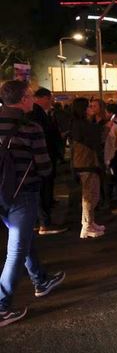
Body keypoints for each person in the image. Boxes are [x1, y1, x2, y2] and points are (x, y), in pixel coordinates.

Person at [0, 81, 65, 327]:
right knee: (16, 249)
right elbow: (45, 166)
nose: (32, 100)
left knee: (23, 238)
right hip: (23, 194)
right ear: (23, 99)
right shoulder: (30, 127)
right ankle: (2, 305)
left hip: (1, 196)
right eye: (29, 96)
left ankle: (41, 279)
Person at [29, 87, 67, 235]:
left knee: (42, 190)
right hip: (42, 158)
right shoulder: (36, 113)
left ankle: (38, 222)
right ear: (43, 98)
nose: (51, 101)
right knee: (41, 190)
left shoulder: (40, 113)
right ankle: (44, 223)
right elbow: (44, 136)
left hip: (43, 157)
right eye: (50, 98)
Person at [70, 98, 106, 238]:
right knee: (90, 195)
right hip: (86, 163)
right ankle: (87, 226)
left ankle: (89, 222)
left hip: (84, 163)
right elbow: (96, 138)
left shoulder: (78, 123)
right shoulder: (82, 125)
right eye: (89, 106)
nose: (92, 109)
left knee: (91, 194)